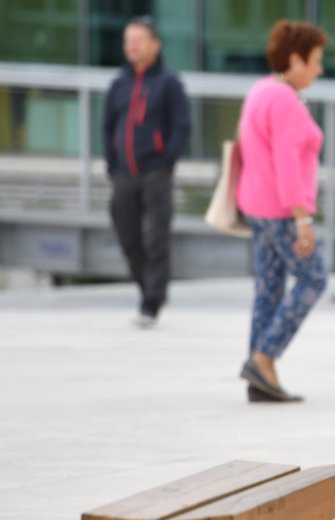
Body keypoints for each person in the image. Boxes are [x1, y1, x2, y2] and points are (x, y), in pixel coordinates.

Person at [236, 20, 330, 403]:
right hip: (281, 210)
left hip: (255, 206)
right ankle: (264, 357)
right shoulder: (286, 100)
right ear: (296, 59)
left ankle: (260, 377)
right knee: (314, 278)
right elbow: (287, 162)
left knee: (269, 288)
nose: (319, 69)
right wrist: (302, 217)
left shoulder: (261, 90)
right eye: (316, 61)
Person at [103, 15, 190, 328]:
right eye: (128, 41)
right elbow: (108, 126)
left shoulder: (168, 83)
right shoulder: (119, 84)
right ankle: (147, 288)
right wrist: (111, 164)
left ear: (155, 44)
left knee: (157, 238)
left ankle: (151, 303)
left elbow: (181, 126)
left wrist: (167, 161)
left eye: (138, 40)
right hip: (124, 172)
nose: (132, 47)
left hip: (156, 171)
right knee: (128, 236)